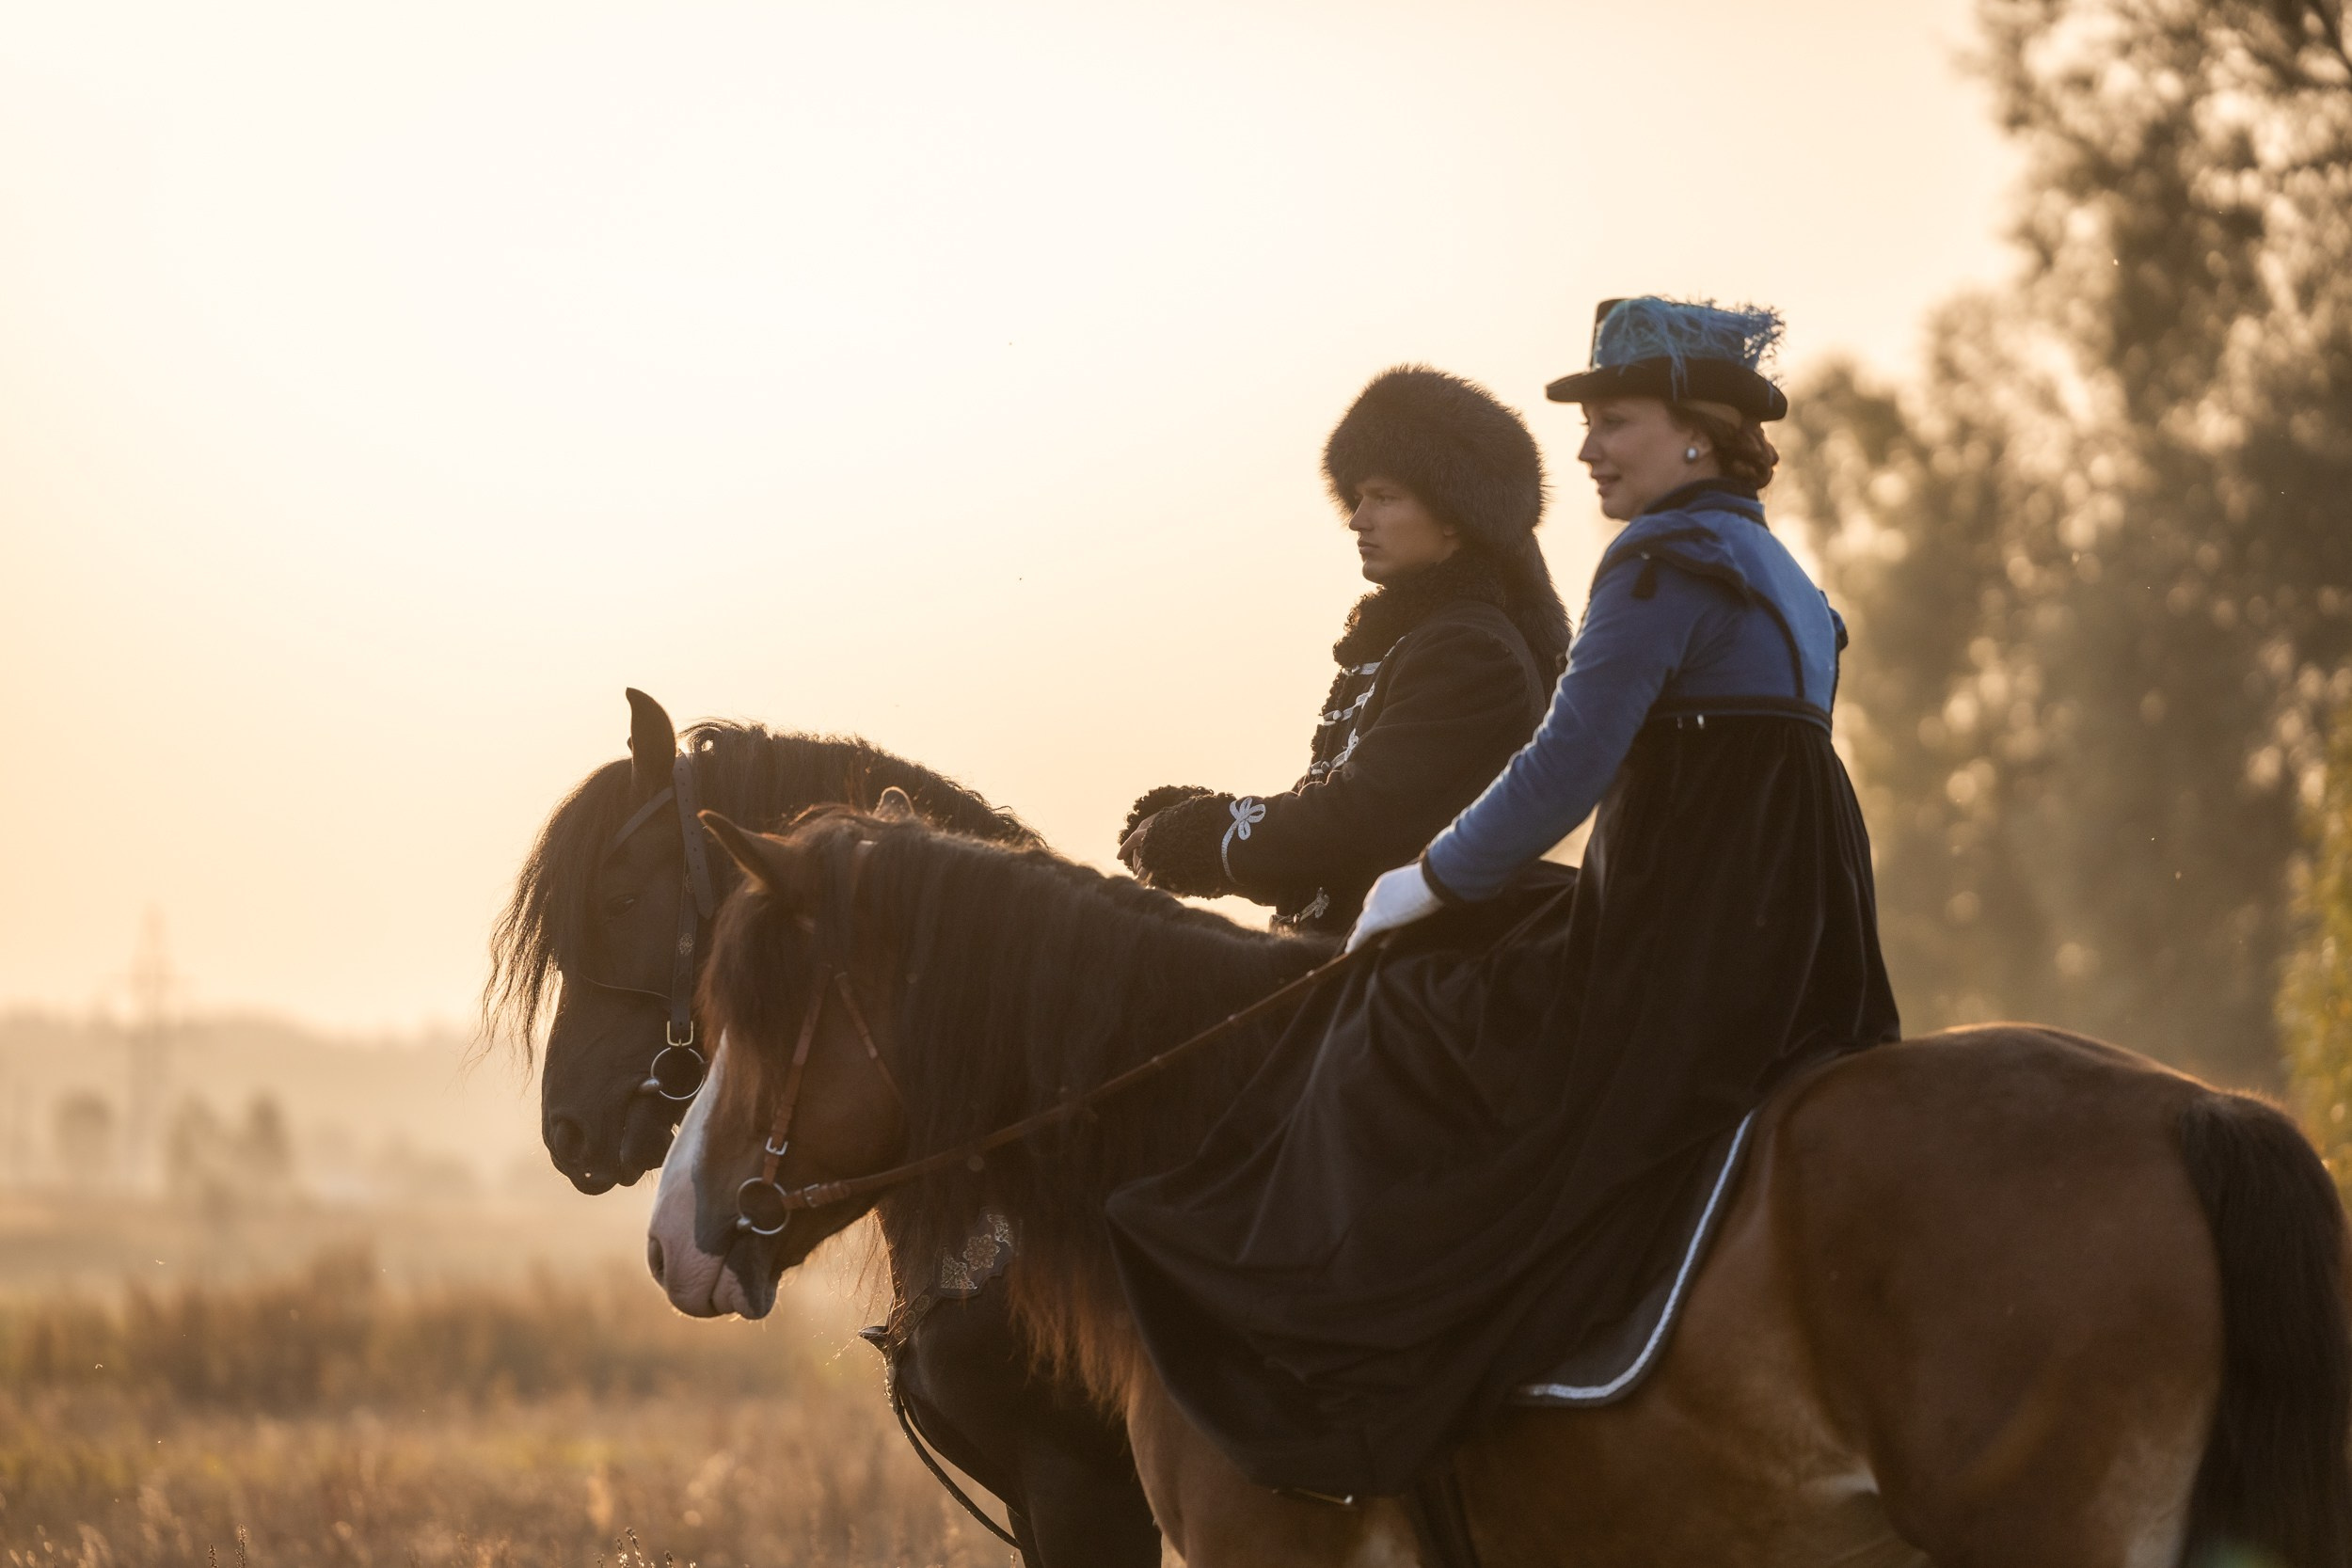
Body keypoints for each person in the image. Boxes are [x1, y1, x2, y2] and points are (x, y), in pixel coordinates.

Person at [1105, 297, 1901, 1498]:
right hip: (1797, 923)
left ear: (1697, 433)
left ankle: (1387, 1371)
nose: (1585, 450)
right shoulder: (1778, 569)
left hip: (1679, 921)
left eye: (1614, 422)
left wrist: (1420, 882)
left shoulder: (1657, 559)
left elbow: (1564, 770)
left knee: (1412, 1027)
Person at [1117, 366, 1572, 937]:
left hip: (1413, 979)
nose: (1358, 520)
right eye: (1357, 498)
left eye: (1384, 497)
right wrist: (1197, 828)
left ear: (1456, 514)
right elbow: (1331, 850)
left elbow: (1361, 819)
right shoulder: (1421, 638)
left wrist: (1214, 833)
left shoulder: (1471, 648)